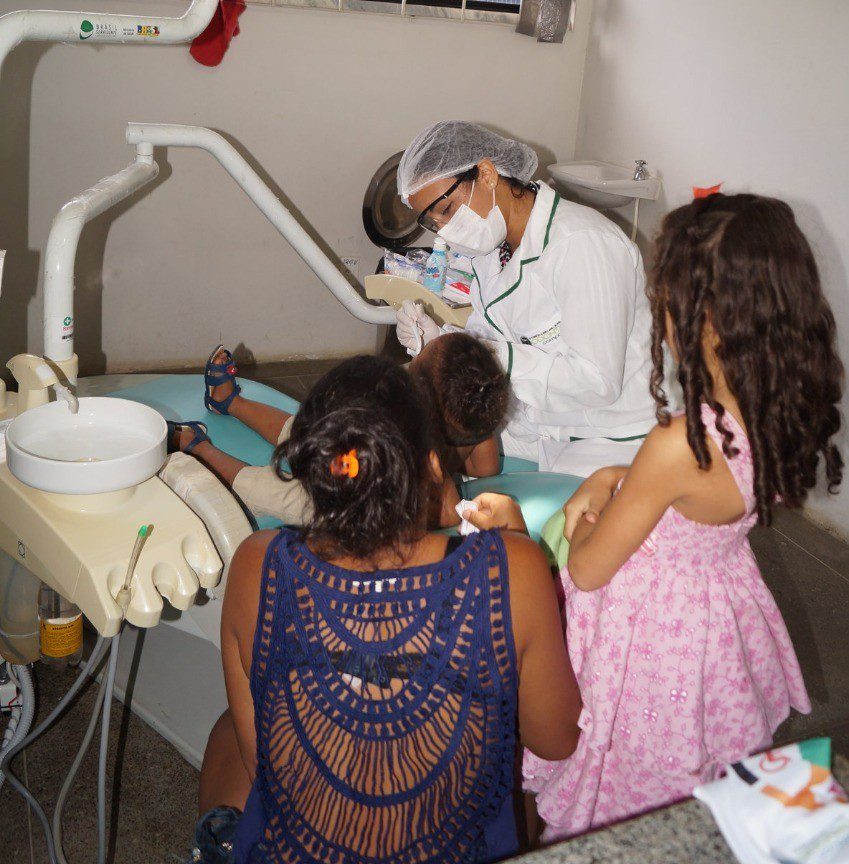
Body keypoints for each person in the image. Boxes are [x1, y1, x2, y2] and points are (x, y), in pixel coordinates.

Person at [467, 193, 844, 840]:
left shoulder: (677, 443)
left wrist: (583, 513)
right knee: (686, 763)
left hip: (648, 634)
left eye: (664, 297)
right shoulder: (776, 407)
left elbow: (588, 570)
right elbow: (695, 496)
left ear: (705, 315)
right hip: (714, 616)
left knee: (620, 765)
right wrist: (612, 477)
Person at [188, 356, 582, 863]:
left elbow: (267, 765)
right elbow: (556, 741)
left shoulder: (256, 563)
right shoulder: (512, 564)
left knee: (229, 728)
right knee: (515, 765)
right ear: (435, 467)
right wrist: (515, 553)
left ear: (313, 473)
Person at [396, 120, 655, 476]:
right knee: (413, 441)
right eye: (432, 222)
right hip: (541, 425)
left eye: (446, 209)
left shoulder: (582, 244)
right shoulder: (491, 250)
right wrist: (439, 341)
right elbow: (488, 335)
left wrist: (479, 357)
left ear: (486, 174)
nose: (445, 229)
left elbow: (597, 381)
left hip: (609, 437)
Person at [167, 333, 506, 527]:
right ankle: (229, 402)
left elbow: (448, 513)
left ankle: (198, 447)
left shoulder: (420, 464)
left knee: (269, 489)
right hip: (352, 452)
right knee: (302, 429)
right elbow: (486, 469)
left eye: (415, 362)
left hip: (344, 497)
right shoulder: (468, 424)